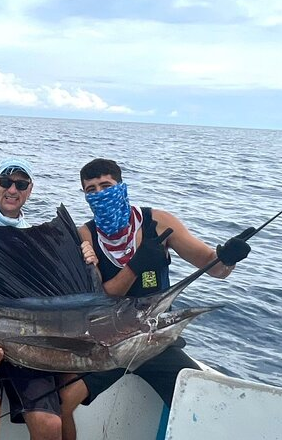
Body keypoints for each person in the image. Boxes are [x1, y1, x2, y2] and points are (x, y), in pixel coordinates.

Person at [59, 158, 252, 440]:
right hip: (107, 345)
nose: (99, 194)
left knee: (202, 403)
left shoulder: (159, 223)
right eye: (91, 190)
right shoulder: (85, 235)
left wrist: (229, 259)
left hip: (155, 342)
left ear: (121, 186)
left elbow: (213, 267)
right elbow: (101, 296)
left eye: (106, 186)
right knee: (61, 402)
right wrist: (137, 265)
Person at [0, 158, 63, 440]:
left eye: (21, 184)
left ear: (30, 190)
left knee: (51, 424)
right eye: (6, 182)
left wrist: (86, 252)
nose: (12, 189)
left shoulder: (35, 240)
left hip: (24, 343)